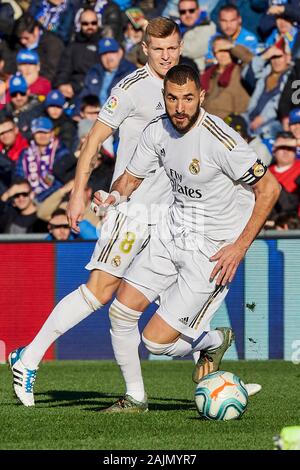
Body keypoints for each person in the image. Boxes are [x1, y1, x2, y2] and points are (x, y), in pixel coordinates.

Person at [8, 18, 259, 407]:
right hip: (135, 211)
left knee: (176, 310)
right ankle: (31, 357)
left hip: (177, 217)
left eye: (173, 48)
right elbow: (94, 139)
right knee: (101, 291)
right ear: (144, 49)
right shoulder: (130, 88)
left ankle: (211, 383)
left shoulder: (182, 88)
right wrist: (78, 194)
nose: (166, 55)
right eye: (158, 49)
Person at [91, 65, 280, 412]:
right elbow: (130, 179)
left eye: (188, 98)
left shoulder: (220, 140)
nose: (180, 107)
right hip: (173, 231)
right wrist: (113, 197)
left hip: (209, 252)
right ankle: (135, 398)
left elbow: (270, 188)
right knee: (120, 312)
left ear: (201, 97)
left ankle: (212, 340)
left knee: (155, 343)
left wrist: (238, 248)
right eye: (173, 98)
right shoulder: (157, 131)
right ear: (163, 97)